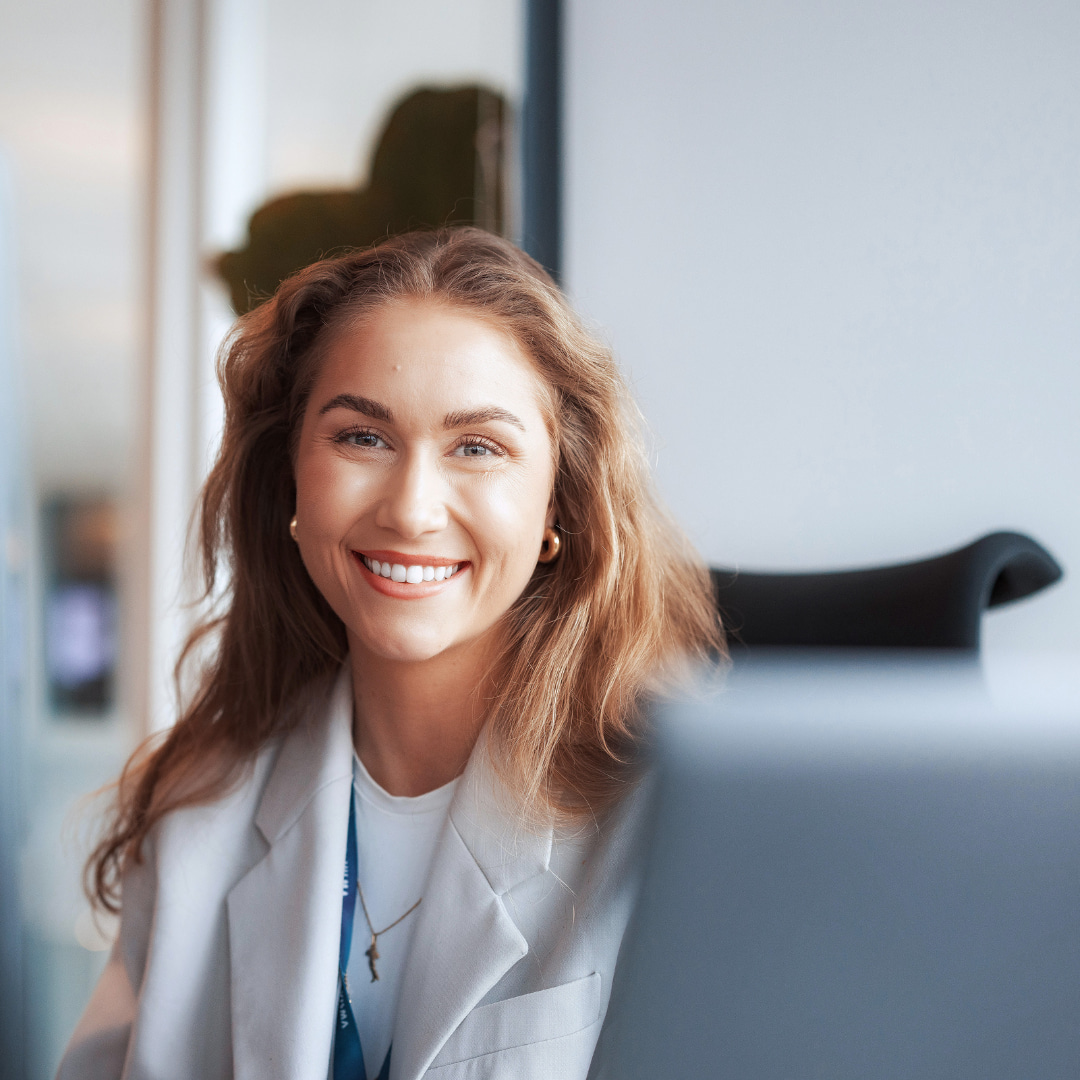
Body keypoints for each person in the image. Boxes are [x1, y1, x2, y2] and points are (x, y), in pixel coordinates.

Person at [58, 228, 723, 1080]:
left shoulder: (673, 822)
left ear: (557, 504)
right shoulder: (199, 809)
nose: (411, 510)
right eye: (362, 438)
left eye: (477, 447)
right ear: (292, 480)